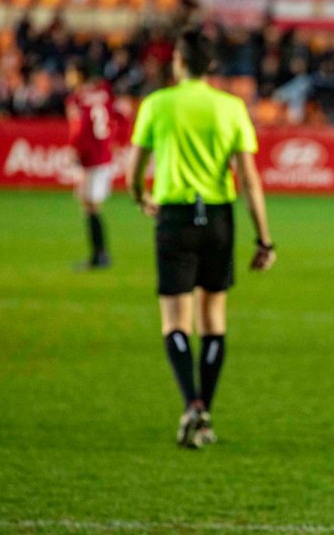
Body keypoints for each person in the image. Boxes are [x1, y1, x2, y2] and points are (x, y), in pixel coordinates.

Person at [126, 28, 277, 449]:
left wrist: (140, 197)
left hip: (174, 216)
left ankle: (191, 402)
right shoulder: (230, 108)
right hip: (217, 218)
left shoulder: (157, 104)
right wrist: (264, 239)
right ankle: (205, 417)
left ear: (178, 62)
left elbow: (134, 170)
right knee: (213, 319)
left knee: (175, 320)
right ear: (210, 65)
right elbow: (249, 179)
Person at [65, 60, 120, 269]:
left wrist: (74, 150)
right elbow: (119, 115)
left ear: (79, 75)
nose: (68, 77)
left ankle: (100, 255)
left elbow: (79, 128)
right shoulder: (104, 92)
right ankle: (99, 254)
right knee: (89, 204)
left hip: (90, 157)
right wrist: (115, 139)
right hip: (103, 153)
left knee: (91, 205)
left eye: (71, 73)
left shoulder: (77, 99)